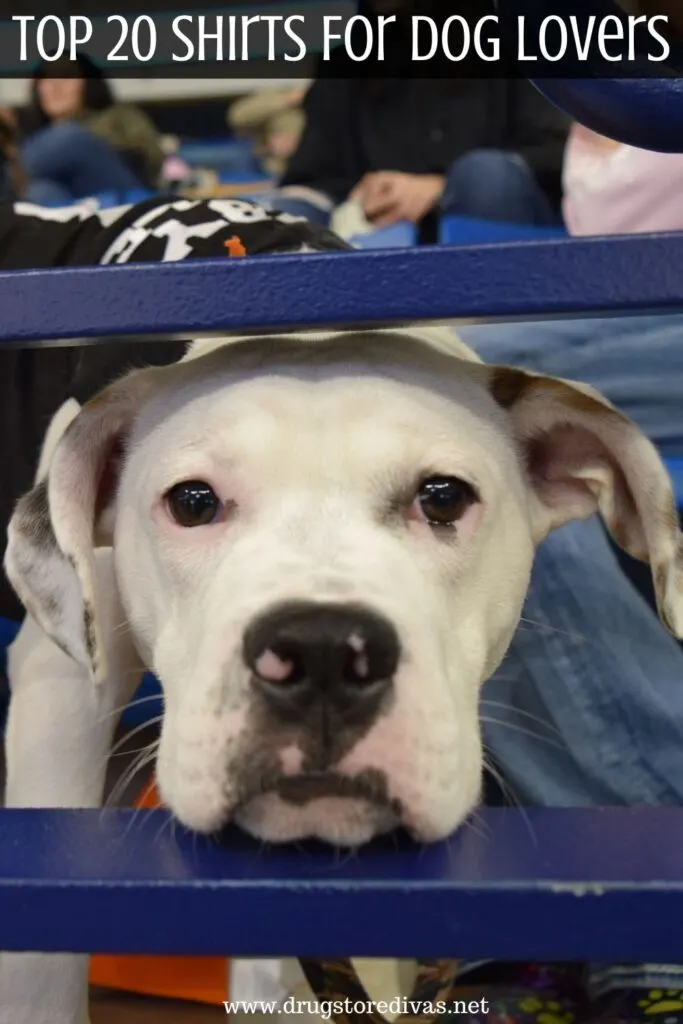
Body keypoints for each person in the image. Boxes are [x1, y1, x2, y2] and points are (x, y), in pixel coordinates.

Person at [274, 0, 569, 234]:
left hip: (504, 232)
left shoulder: (519, 41)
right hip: (374, 239)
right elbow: (311, 177)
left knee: (483, 175)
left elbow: (559, 154)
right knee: (283, 213)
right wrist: (362, 193)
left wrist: (440, 188)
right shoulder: (343, 63)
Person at [16, 53, 164, 205]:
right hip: (78, 210)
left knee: (70, 137)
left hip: (122, 193)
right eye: (45, 79)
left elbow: (151, 158)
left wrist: (97, 145)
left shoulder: (117, 115)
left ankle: (8, 173)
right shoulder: (30, 134)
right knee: (41, 190)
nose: (55, 86)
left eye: (67, 76)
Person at [228, 85, 308, 178]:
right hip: (277, 168)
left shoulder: (323, 98)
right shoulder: (274, 95)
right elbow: (237, 116)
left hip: (318, 166)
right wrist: (287, 100)